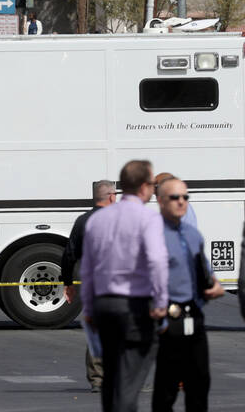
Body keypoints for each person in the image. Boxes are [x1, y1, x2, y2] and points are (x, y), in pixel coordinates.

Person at [80, 160, 168, 412]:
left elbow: (88, 268)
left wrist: (88, 308)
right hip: (135, 304)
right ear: (143, 186)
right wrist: (161, 302)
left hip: (104, 303)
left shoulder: (98, 220)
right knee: (130, 377)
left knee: (111, 374)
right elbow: (157, 261)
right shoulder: (149, 218)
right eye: (151, 184)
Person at [152, 176, 224, 412]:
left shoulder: (193, 235)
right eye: (175, 197)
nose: (182, 202)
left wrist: (213, 286)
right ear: (161, 200)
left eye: (185, 197)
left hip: (195, 315)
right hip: (168, 317)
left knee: (199, 383)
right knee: (166, 388)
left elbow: (203, 269)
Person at [62, 179, 116, 392]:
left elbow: (69, 254)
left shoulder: (83, 221)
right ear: (111, 196)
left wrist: (67, 283)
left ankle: (97, 379)